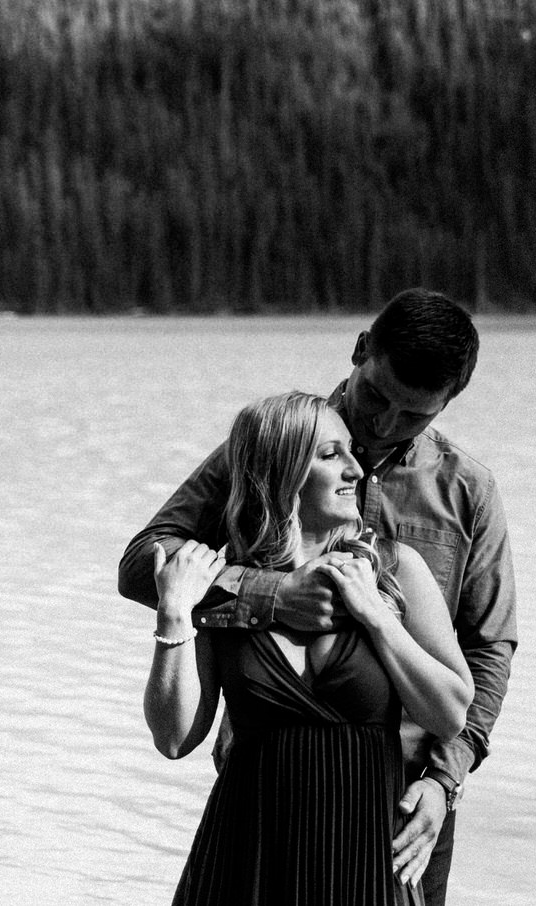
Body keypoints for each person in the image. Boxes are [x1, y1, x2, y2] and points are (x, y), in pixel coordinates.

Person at [120, 290, 515, 905]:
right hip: (266, 790)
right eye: (377, 397)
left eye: (413, 416)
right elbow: (146, 562)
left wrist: (446, 778)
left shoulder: (468, 491)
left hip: (409, 804)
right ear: (360, 351)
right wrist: (273, 595)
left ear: (446, 404)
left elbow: (486, 652)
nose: (382, 426)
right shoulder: (275, 446)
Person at [144, 393, 472, 904]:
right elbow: (174, 738)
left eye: (350, 452)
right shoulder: (227, 581)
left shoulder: (394, 568)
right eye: (329, 455)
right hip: (247, 863)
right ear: (281, 472)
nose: (356, 468)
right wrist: (174, 614)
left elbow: (450, 713)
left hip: (366, 864)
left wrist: (376, 616)